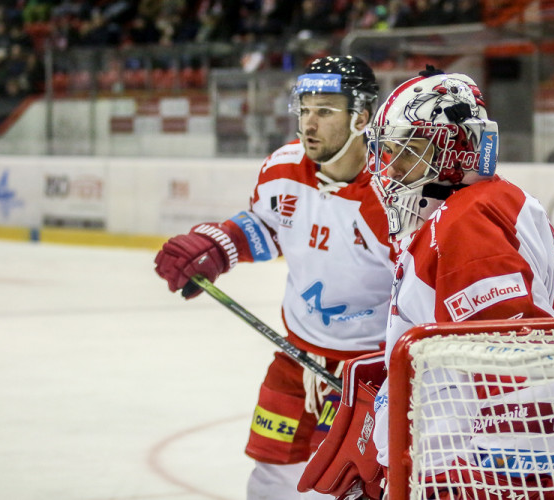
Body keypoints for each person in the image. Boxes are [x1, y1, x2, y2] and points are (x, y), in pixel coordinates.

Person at [298, 69, 554, 499]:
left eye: (410, 152)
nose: (392, 170)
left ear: (457, 154)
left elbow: (520, 378)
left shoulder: (466, 224)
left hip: (512, 472)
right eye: (390, 152)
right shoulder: (486, 203)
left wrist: (456, 483)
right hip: (520, 461)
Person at [154, 55, 397, 499]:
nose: (309, 123)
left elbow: (418, 287)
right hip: (296, 356)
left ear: (361, 117)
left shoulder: (394, 193)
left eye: (325, 111)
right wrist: (217, 248)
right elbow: (267, 226)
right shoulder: (283, 168)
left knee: (352, 484)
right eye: (304, 109)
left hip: (370, 372)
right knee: (271, 473)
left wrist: (391, 367)